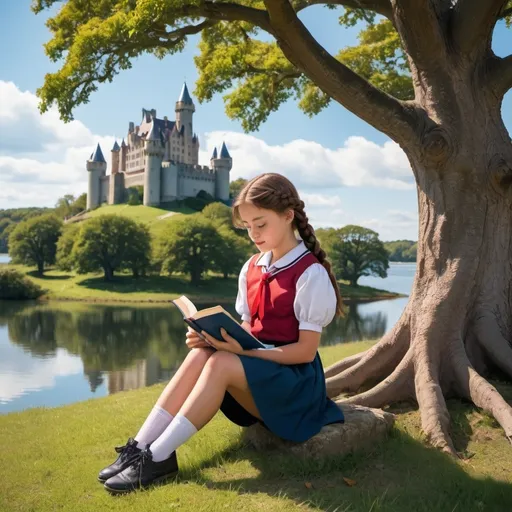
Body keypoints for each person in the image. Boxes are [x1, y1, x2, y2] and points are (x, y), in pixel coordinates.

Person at [98, 172, 345, 494]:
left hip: (295, 386)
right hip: (260, 374)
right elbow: (247, 329)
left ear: (288, 216)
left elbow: (305, 353)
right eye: (247, 227)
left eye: (261, 224)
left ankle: (158, 457)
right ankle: (140, 446)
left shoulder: (310, 273)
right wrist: (213, 339)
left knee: (221, 363)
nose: (253, 234)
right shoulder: (252, 266)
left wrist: (242, 352)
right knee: (203, 353)